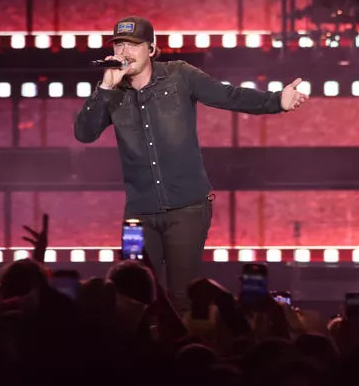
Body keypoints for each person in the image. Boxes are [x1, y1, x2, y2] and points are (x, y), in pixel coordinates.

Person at [74, 16, 308, 312]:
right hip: (139, 212)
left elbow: (229, 96)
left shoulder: (179, 75)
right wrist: (105, 89)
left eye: (133, 45)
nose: (124, 52)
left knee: (181, 297)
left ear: (152, 49)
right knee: (136, 297)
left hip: (187, 207)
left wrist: (277, 101)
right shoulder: (113, 92)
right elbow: (84, 133)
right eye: (119, 44)